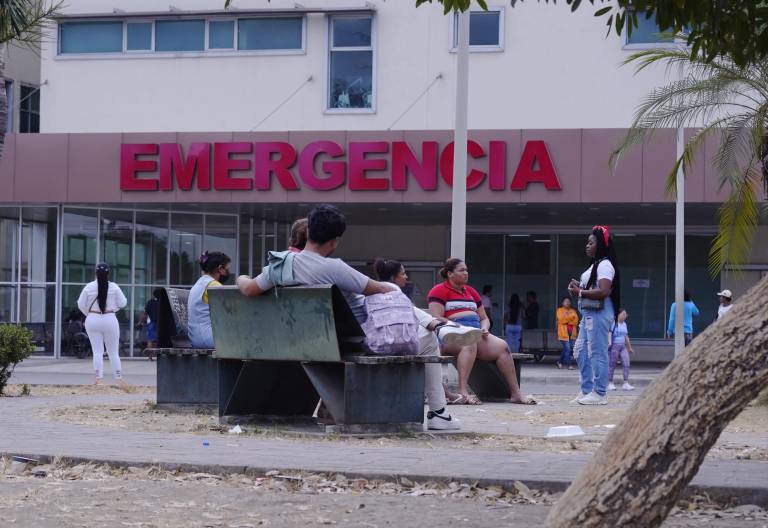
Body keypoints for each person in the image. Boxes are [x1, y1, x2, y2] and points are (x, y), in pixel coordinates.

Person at [236, 205, 478, 430]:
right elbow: (382, 289)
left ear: (309, 230)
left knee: (399, 302)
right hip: (353, 339)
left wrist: (241, 278)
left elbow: (248, 289)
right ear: (334, 242)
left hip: (305, 339)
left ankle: (436, 325)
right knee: (418, 328)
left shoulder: (280, 265)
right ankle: (438, 411)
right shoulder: (334, 268)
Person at [428, 258, 536, 406]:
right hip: (450, 334)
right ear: (450, 274)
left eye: (466, 270)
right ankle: (463, 392)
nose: (466, 273)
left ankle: (516, 394)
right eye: (461, 270)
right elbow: (436, 317)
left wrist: (485, 327)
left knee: (502, 346)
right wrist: (457, 327)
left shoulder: (471, 291)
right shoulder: (439, 290)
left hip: (475, 332)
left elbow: (484, 318)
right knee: (469, 343)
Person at [373, 258, 460, 430]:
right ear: (393, 278)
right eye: (403, 273)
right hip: (383, 346)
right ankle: (438, 411)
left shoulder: (369, 290)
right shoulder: (394, 293)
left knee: (427, 335)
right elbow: (411, 313)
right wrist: (433, 323)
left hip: (367, 344)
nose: (406, 277)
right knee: (429, 339)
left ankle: (439, 409)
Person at [567, 225, 620, 406]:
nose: (587, 246)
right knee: (581, 351)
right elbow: (593, 288)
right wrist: (578, 288)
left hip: (599, 313)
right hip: (589, 314)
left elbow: (604, 291)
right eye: (587, 243)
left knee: (597, 352)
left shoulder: (605, 264)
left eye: (591, 243)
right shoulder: (595, 265)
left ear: (601, 245)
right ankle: (587, 390)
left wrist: (580, 292)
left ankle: (600, 393)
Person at [77, 262, 128, 387]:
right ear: (108, 273)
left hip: (92, 319)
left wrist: (89, 314)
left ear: (95, 273)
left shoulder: (88, 287)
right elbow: (123, 303)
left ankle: (99, 378)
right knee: (113, 352)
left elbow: (80, 304)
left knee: (97, 351)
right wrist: (114, 308)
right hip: (110, 318)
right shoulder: (114, 287)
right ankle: (118, 378)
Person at [188, 251, 231, 349]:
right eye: (227, 269)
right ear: (220, 269)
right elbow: (229, 312)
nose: (229, 272)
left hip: (196, 338)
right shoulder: (214, 286)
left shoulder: (199, 284)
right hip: (209, 338)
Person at [608, 308, 634, 391]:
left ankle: (626, 383)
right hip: (614, 346)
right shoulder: (613, 323)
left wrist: (629, 347)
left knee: (626, 363)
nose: (625, 316)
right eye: (623, 314)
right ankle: (610, 383)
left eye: (625, 314)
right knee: (612, 364)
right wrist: (609, 343)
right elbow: (609, 333)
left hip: (623, 346)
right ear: (618, 315)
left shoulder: (624, 324)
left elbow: (626, 336)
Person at [555, 296, 579, 370]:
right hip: (563, 333)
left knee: (566, 349)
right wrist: (571, 317)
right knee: (568, 348)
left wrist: (567, 319)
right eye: (565, 301)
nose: (567, 303)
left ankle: (559, 362)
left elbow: (576, 321)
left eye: (569, 301)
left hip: (572, 333)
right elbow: (561, 319)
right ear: (562, 303)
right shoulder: (559, 310)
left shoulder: (573, 310)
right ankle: (569, 364)